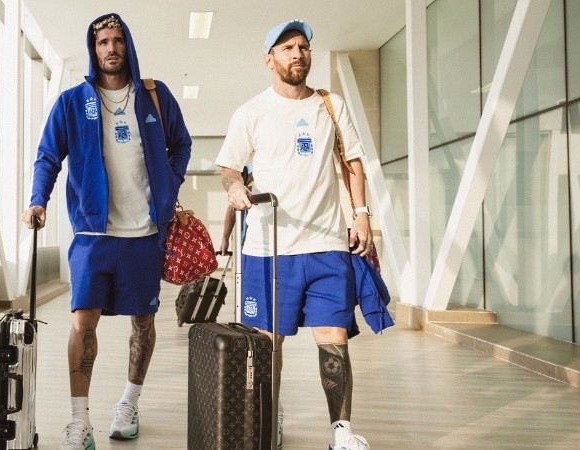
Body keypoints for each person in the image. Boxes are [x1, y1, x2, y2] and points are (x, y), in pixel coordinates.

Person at [21, 13, 191, 450]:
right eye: (102, 42)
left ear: (127, 45)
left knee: (144, 322)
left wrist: (169, 186)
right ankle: (80, 421)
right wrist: (38, 199)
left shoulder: (155, 97)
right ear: (93, 49)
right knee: (83, 323)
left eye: (117, 40)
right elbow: (47, 156)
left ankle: (128, 405)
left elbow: (182, 144)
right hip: (93, 236)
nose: (110, 48)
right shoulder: (73, 102)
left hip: (144, 234)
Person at [215, 19, 374, 450]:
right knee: (268, 345)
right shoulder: (251, 112)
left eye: (303, 46)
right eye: (286, 47)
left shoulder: (331, 105)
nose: (297, 53)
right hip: (269, 248)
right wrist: (234, 186)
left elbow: (352, 162)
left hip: (326, 244)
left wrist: (361, 214)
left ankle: (341, 432)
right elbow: (229, 165)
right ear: (269, 59)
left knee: (334, 341)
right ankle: (269, 416)